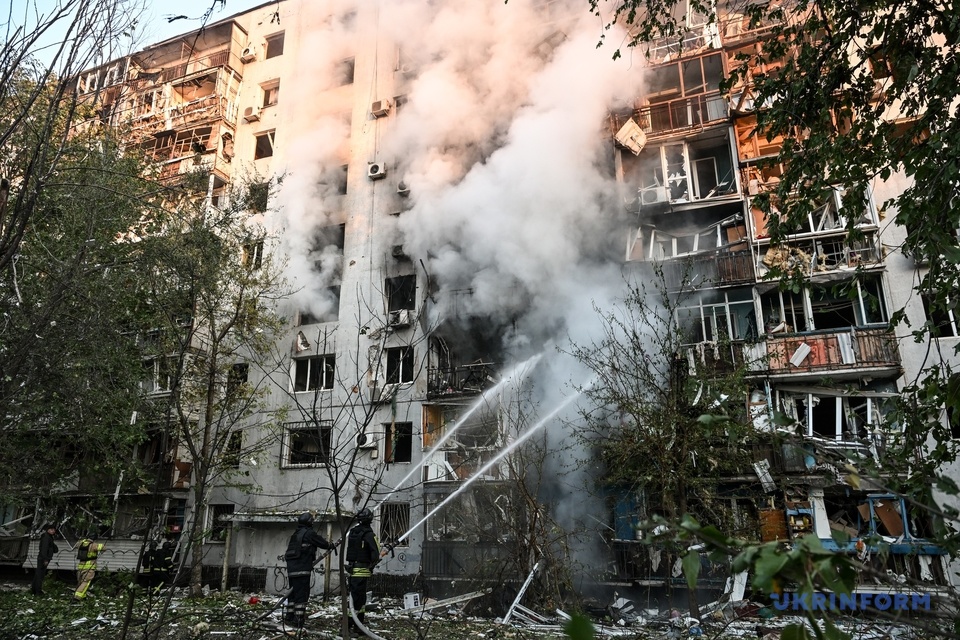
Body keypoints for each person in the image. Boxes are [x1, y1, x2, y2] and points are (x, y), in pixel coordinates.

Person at [283, 512, 335, 629]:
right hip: (302, 569)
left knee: (292, 594)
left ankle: (289, 617)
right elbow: (322, 543)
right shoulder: (309, 533)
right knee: (301, 595)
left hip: (292, 570)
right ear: (310, 522)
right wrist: (330, 545)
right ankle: (298, 620)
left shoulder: (295, 534)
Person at [345, 508, 384, 630]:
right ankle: (353, 625)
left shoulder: (353, 532)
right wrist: (373, 562)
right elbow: (375, 554)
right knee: (359, 600)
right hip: (362, 571)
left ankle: (354, 624)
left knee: (354, 598)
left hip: (352, 570)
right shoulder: (369, 535)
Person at [74, 534, 105, 600]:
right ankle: (77, 597)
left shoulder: (80, 543)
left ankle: (83, 597)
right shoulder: (93, 545)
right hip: (89, 567)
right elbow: (103, 548)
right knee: (85, 582)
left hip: (81, 566)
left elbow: (76, 545)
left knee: (80, 582)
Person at [31, 523, 59, 596]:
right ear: (48, 530)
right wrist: (45, 559)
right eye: (51, 529)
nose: (53, 531)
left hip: (43, 557)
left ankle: (34, 589)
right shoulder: (46, 538)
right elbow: (44, 549)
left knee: (38, 574)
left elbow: (52, 548)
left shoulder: (49, 537)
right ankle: (38, 591)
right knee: (40, 575)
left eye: (54, 530)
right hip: (43, 558)